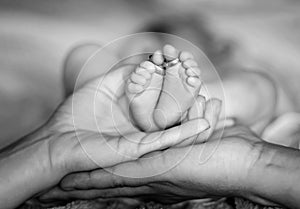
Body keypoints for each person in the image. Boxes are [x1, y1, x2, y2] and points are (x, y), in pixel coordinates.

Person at [36, 43, 300, 209]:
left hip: (216, 125)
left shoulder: (228, 67)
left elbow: (284, 107)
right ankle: (152, 111)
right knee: (260, 86)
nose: (155, 62)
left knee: (259, 84)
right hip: (122, 135)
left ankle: (189, 106)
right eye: (144, 57)